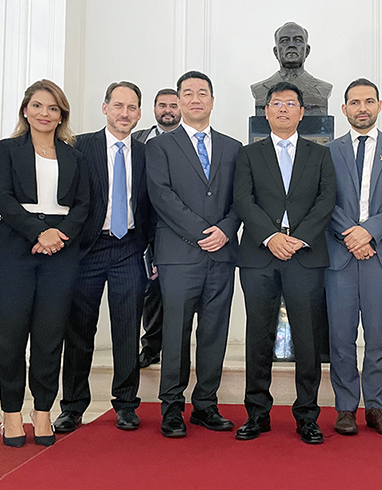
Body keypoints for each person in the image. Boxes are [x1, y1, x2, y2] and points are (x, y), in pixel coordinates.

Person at [233, 81, 336, 444]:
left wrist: (299, 238)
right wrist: (271, 236)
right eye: (276, 103)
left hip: (305, 255)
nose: (282, 109)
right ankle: (256, 413)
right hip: (259, 255)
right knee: (258, 336)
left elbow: (327, 199)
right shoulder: (249, 154)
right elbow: (243, 200)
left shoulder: (320, 154)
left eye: (290, 104)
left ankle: (307, 415)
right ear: (266, 111)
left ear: (301, 112)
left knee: (307, 338)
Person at [0, 80, 89, 447]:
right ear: (25, 110)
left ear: (61, 115)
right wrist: (38, 232)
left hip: (61, 248)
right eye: (37, 106)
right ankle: (11, 413)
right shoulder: (7, 149)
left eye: (52, 108)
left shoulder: (75, 156)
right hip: (14, 245)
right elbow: (2, 197)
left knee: (49, 336)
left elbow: (84, 205)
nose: (44, 113)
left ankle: (43, 410)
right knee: (11, 335)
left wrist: (58, 235)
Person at [145, 71, 242, 437]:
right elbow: (161, 196)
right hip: (179, 255)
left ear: (212, 101)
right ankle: (172, 407)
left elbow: (241, 198)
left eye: (203, 93)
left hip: (221, 255)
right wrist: (204, 233)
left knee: (214, 332)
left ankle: (205, 405)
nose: (196, 99)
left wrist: (226, 229)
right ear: (180, 101)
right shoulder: (159, 147)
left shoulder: (233, 147)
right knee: (175, 333)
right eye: (188, 93)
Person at [54, 81, 153, 433]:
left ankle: (125, 404)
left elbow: (152, 205)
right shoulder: (80, 146)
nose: (125, 113)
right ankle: (72, 406)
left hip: (129, 248)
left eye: (132, 107)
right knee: (79, 330)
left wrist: (151, 249)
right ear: (105, 108)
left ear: (139, 113)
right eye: (118, 106)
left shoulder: (147, 153)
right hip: (88, 248)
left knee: (127, 329)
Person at [324, 79, 382, 437]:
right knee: (341, 337)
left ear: (379, 105)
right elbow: (322, 198)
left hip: (381, 254)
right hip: (340, 254)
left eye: (369, 101)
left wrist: (369, 231)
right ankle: (345, 408)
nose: (362, 108)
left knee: (378, 336)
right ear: (344, 109)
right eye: (355, 102)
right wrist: (351, 234)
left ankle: (376, 407)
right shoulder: (328, 151)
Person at [132, 88, 182, 368]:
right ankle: (150, 347)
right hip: (142, 223)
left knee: (173, 291)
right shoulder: (138, 140)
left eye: (173, 105)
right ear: (153, 109)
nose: (168, 110)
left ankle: (176, 348)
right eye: (162, 105)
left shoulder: (190, 141)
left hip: (175, 224)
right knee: (150, 289)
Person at [250, 22, 333, 116]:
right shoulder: (259, 89)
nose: (291, 45)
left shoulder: (323, 89)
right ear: (276, 52)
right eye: (284, 41)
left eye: (298, 40)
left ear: (307, 51)